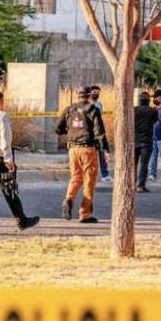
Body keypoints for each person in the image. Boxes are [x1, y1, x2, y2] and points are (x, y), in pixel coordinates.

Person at [0, 90, 40, 234]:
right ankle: (21, 220)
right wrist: (8, 159)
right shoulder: (2, 116)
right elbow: (5, 141)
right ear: (1, 101)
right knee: (10, 191)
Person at [55, 87, 109, 223]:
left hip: (72, 149)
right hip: (88, 149)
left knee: (76, 177)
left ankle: (68, 199)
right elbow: (99, 132)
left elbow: (58, 129)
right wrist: (106, 150)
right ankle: (85, 214)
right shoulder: (93, 110)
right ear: (89, 96)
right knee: (89, 181)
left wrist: (71, 131)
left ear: (77, 96)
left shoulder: (69, 109)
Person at [134, 91, 159, 193]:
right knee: (144, 164)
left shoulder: (134, 110)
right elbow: (155, 121)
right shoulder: (152, 111)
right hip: (146, 141)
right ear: (149, 100)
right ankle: (140, 185)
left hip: (134, 140)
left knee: (133, 164)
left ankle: (131, 183)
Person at [89, 86, 111, 181]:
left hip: (98, 132)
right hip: (89, 133)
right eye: (94, 91)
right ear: (90, 93)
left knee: (102, 152)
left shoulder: (99, 104)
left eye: (98, 92)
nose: (96, 93)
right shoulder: (86, 104)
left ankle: (105, 175)